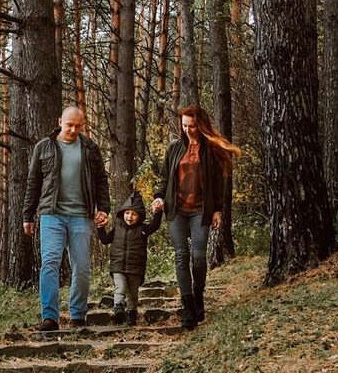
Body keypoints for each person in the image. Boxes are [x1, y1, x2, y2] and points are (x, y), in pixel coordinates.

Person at [152, 104, 241, 328]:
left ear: (200, 125)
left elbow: (218, 182)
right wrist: (159, 197)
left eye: (192, 126)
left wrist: (218, 210)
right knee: (181, 256)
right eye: (184, 126)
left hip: (201, 210)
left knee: (199, 257)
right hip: (176, 210)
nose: (188, 130)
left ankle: (198, 294)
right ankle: (188, 306)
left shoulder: (210, 149)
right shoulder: (174, 148)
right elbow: (164, 177)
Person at [22, 105, 110, 332]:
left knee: (81, 266)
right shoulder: (44, 147)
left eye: (77, 126)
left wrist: (104, 209)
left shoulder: (90, 148)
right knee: (50, 263)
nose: (72, 129)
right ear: (59, 121)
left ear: (83, 125)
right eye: (69, 124)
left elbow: (101, 180)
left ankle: (78, 315)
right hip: (51, 215)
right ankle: (49, 317)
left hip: (82, 215)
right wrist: (27, 216)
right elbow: (33, 183)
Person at [97, 190, 163, 325]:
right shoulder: (117, 229)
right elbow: (104, 240)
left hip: (135, 268)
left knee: (133, 294)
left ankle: (132, 314)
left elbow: (155, 226)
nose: (130, 217)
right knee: (119, 288)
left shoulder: (143, 229)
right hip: (118, 266)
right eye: (127, 213)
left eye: (133, 214)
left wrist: (158, 212)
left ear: (139, 216)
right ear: (122, 213)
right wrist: (100, 228)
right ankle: (118, 309)